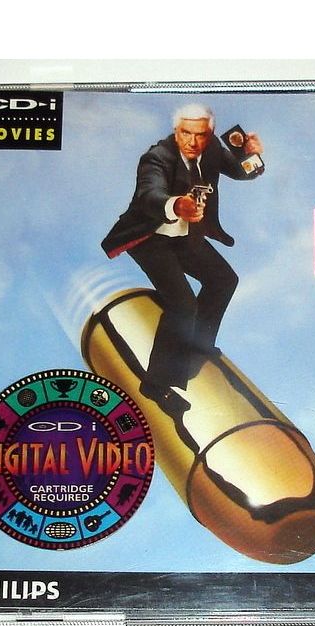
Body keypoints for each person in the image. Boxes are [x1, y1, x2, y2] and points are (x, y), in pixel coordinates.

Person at [102, 104, 264, 412]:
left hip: (185, 237)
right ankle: (156, 384)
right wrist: (177, 205)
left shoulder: (213, 149)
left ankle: (196, 348)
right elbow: (150, 194)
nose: (192, 141)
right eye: (185, 133)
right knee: (183, 305)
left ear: (210, 134)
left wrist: (251, 156)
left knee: (223, 280)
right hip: (151, 239)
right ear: (176, 131)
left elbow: (239, 170)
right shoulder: (156, 157)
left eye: (200, 135)